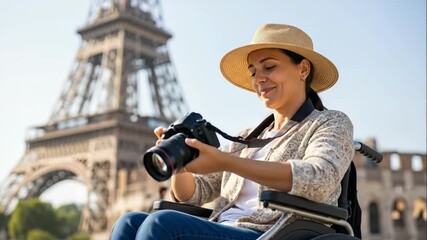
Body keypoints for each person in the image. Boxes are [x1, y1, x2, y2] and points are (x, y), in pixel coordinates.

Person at [110, 23, 354, 240]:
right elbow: (194, 195)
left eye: (269, 67)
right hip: (223, 227)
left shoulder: (331, 122)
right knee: (129, 221)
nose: (259, 79)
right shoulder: (245, 138)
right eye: (253, 72)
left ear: (302, 69)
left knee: (162, 223)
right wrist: (180, 164)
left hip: (274, 232)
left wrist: (226, 162)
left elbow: (318, 178)